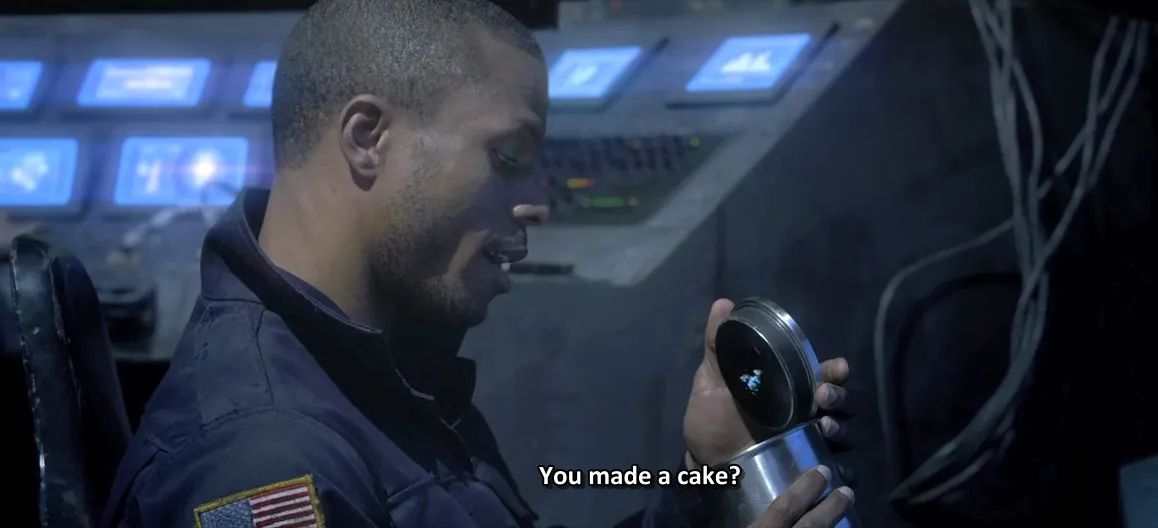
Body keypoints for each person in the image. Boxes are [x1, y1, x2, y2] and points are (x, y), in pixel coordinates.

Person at [102, 1, 857, 527]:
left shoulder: (382, 374)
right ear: (367, 138)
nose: (538, 202)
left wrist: (710, 480)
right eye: (508, 158)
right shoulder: (261, 465)